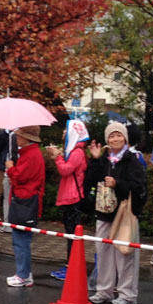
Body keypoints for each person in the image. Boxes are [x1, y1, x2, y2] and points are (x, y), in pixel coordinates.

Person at [86, 122, 146, 304]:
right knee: (103, 252)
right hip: (104, 212)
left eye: (119, 135)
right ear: (107, 140)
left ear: (125, 138)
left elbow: (140, 187)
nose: (116, 139)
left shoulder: (132, 159)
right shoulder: (104, 159)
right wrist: (95, 160)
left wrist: (117, 183)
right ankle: (104, 290)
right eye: (112, 136)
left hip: (125, 214)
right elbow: (90, 181)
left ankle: (127, 295)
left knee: (125, 254)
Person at [46, 119, 89, 281]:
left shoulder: (77, 152)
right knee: (70, 234)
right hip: (70, 197)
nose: (63, 133)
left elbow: (65, 170)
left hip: (73, 198)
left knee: (72, 235)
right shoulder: (74, 151)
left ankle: (71, 268)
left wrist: (57, 157)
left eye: (66, 130)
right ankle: (70, 266)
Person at [5, 125, 45, 287]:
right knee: (21, 239)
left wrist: (10, 168)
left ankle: (23, 274)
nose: (17, 138)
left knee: (20, 240)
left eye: (19, 136)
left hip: (25, 201)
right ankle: (24, 273)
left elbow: (20, 176)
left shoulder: (31, 154)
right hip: (25, 199)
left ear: (27, 137)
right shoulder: (31, 153)